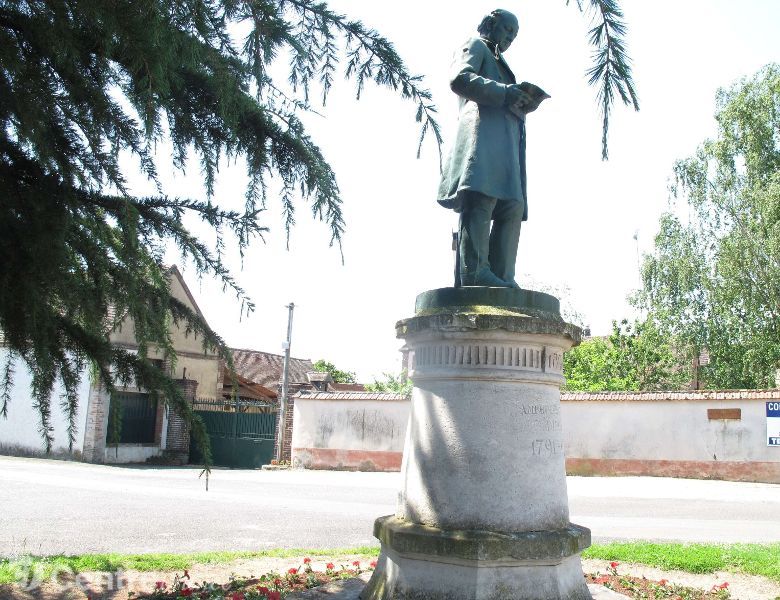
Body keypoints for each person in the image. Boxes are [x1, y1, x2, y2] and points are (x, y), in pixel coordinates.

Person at [437, 9, 533, 288]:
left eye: (514, 35)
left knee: (513, 205)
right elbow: (460, 79)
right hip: (480, 137)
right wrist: (505, 93)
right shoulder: (475, 45)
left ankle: (504, 277)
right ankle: (475, 272)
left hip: (506, 145)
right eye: (507, 30)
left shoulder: (500, 61)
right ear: (491, 24)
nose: (510, 38)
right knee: (482, 199)